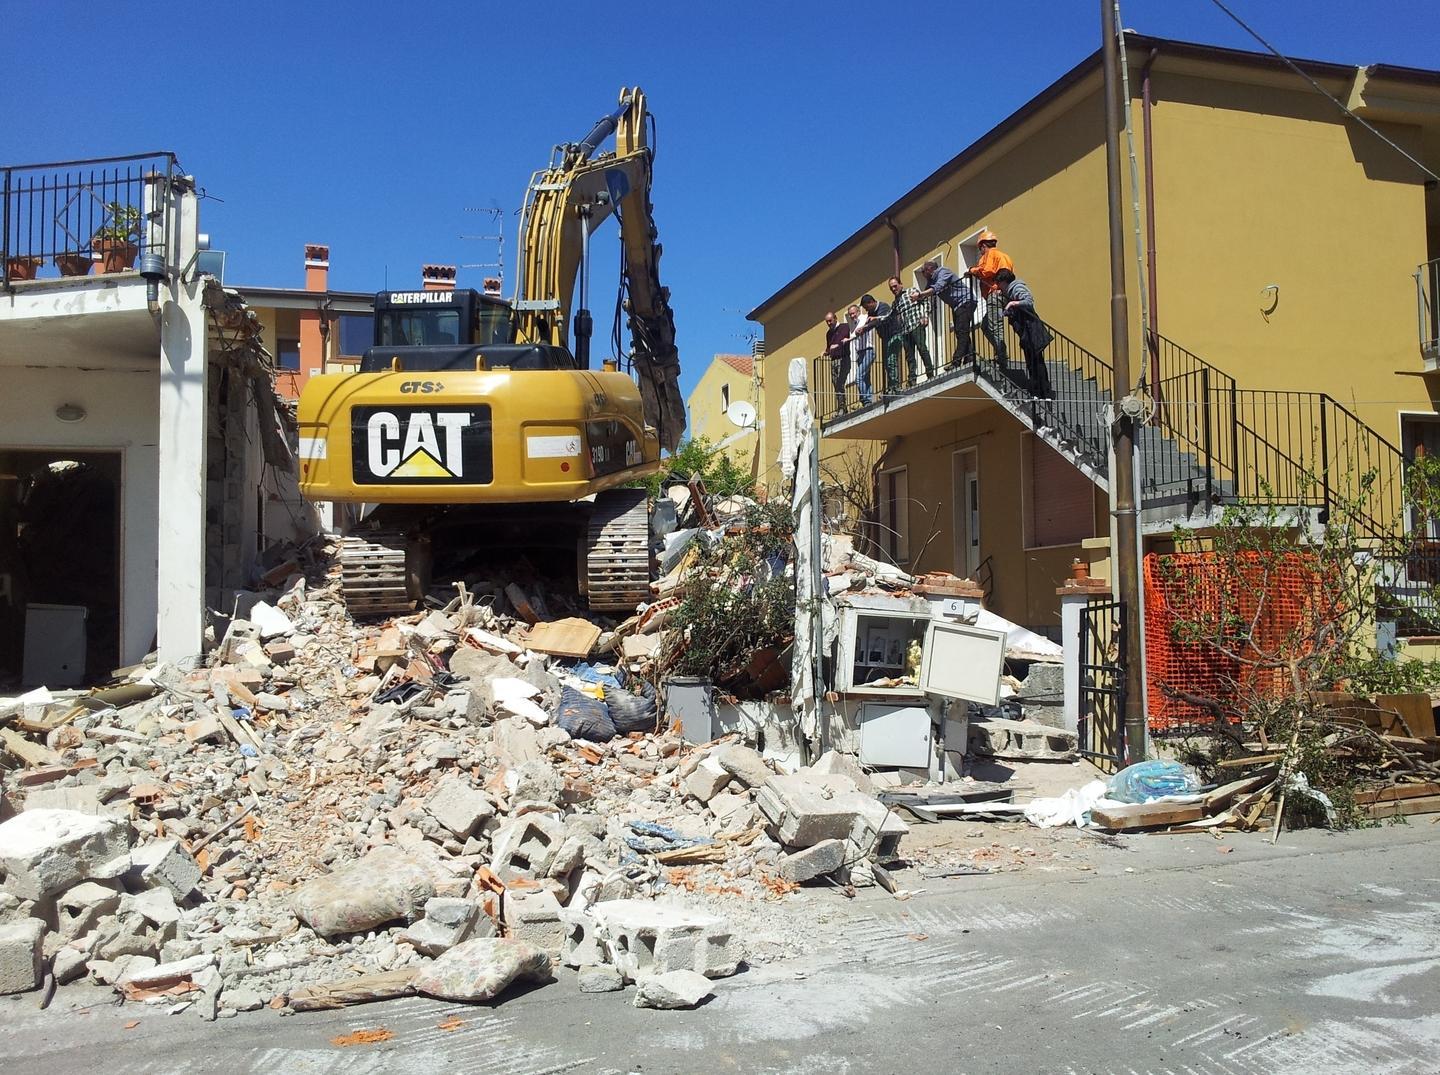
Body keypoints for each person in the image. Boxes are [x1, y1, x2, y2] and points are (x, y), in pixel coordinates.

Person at [994, 268, 1054, 399]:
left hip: (1031, 329)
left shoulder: (1017, 288)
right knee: (1030, 361)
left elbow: (1029, 301)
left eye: (999, 283)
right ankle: (1036, 391)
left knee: (1037, 361)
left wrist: (1013, 303)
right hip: (1024, 330)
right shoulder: (1008, 292)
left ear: (1004, 281)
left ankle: (1045, 392)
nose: (998, 286)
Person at [915, 257, 979, 366]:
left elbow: (937, 287)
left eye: (923, 272)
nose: (923, 275)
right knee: (960, 332)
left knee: (962, 331)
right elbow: (926, 293)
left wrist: (920, 295)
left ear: (929, 269)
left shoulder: (943, 272)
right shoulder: (931, 280)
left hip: (966, 301)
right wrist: (918, 298)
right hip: (957, 306)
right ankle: (969, 358)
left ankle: (956, 361)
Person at [967, 230, 1014, 368]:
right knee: (986, 325)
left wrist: (972, 270)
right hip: (1001, 294)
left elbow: (987, 271)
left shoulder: (991, 254)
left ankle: (1001, 357)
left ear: (983, 245)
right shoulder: (1003, 256)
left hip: (995, 294)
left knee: (995, 327)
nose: (980, 251)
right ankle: (1001, 353)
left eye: (980, 248)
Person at [885, 276, 934, 382]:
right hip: (905, 331)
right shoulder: (895, 303)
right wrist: (876, 319)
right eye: (891, 288)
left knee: (922, 349)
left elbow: (925, 301)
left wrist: (925, 316)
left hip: (916, 325)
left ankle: (930, 373)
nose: (893, 289)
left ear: (901, 285)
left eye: (895, 286)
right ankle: (912, 379)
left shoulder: (911, 291)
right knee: (909, 356)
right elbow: (888, 316)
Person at [859, 292, 901, 392]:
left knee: (891, 361)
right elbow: (870, 323)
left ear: (871, 302)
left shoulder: (883, 307)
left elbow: (881, 320)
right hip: (885, 338)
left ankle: (895, 386)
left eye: (866, 307)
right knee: (887, 363)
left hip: (894, 335)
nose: (866, 310)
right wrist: (863, 328)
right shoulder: (871, 313)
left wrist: (867, 326)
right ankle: (891, 386)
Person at [823, 310, 852, 411]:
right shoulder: (828, 334)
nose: (829, 323)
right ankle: (841, 406)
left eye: (830, 321)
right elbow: (829, 347)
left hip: (843, 358)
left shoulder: (844, 327)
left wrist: (837, 345)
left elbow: (845, 340)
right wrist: (826, 352)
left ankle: (842, 406)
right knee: (835, 383)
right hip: (833, 360)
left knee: (840, 382)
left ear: (835, 318)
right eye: (827, 322)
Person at [847, 303, 876, 406]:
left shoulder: (865, 318)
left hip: (868, 350)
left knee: (859, 376)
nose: (852, 316)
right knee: (865, 377)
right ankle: (869, 399)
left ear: (858, 311)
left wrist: (862, 328)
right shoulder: (853, 325)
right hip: (860, 353)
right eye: (850, 314)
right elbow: (853, 336)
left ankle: (866, 400)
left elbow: (870, 324)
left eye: (853, 313)